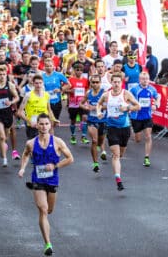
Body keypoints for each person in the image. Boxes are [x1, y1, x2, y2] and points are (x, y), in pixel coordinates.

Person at [18, 113, 74, 256]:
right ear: (37, 125)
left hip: (52, 180)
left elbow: (70, 159)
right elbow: (25, 154)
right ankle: (48, 244)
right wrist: (23, 168)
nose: (44, 126)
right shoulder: (30, 143)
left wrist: (54, 166)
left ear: (50, 125)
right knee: (43, 210)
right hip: (37, 180)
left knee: (49, 210)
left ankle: (46, 219)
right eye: (41, 124)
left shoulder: (58, 142)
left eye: (46, 124)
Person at [96, 73, 140, 191]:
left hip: (125, 128)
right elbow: (99, 104)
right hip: (112, 128)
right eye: (114, 82)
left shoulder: (126, 94)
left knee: (120, 154)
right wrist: (99, 112)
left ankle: (117, 165)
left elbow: (138, 106)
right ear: (111, 82)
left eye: (118, 82)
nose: (116, 84)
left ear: (121, 83)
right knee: (115, 155)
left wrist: (128, 108)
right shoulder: (106, 95)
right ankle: (118, 179)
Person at [129, 72, 160, 167]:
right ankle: (132, 130)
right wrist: (131, 107)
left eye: (146, 79)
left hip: (147, 117)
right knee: (137, 139)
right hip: (136, 117)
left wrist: (156, 103)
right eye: (143, 79)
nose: (145, 81)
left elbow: (157, 96)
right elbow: (127, 98)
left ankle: (146, 158)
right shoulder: (134, 89)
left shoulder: (152, 89)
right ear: (139, 80)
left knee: (148, 136)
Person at [80, 74, 108, 173]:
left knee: (100, 142)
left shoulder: (104, 93)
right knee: (94, 140)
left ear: (100, 83)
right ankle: (95, 163)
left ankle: (101, 149)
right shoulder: (89, 93)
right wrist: (86, 108)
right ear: (90, 83)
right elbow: (81, 103)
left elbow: (110, 105)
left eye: (97, 82)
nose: (95, 84)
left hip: (103, 121)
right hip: (92, 121)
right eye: (93, 82)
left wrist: (98, 108)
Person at [18, 74, 58, 140]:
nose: (38, 85)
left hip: (44, 124)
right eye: (36, 83)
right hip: (33, 124)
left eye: (40, 83)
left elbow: (49, 110)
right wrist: (29, 121)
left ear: (43, 83)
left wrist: (53, 119)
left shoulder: (46, 95)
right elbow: (19, 112)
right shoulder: (28, 95)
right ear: (33, 84)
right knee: (33, 146)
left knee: (46, 144)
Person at [64, 62, 89, 145]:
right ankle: (73, 135)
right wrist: (71, 91)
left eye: (81, 70)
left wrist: (87, 95)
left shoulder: (86, 80)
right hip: (73, 104)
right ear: (74, 70)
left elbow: (88, 90)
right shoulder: (70, 80)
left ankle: (84, 136)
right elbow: (63, 90)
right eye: (77, 70)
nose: (79, 72)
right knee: (73, 121)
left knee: (84, 117)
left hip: (83, 103)